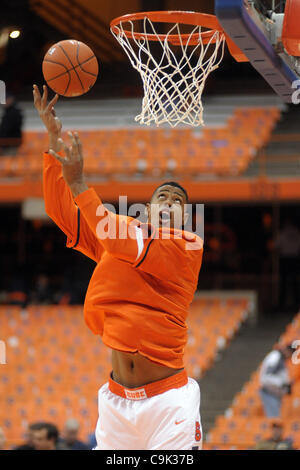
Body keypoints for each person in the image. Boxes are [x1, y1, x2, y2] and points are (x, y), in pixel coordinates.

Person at [33, 84, 204, 450]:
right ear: (150, 207)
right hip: (116, 399)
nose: (170, 202)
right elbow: (62, 213)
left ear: (186, 217)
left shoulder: (186, 246)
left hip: (167, 399)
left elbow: (116, 236)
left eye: (178, 201)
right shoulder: (121, 237)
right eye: (163, 197)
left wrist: (79, 183)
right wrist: (53, 142)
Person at [259, 344, 294, 418]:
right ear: (287, 351)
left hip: (275, 392)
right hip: (269, 391)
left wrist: (286, 384)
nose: (289, 357)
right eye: (290, 353)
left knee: (277, 417)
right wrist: (282, 383)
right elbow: (267, 376)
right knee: (274, 418)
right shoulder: (275, 357)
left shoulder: (281, 358)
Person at [275, 219, 300, 312]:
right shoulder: (297, 233)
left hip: (286, 258)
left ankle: (282, 304)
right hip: (294, 258)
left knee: (284, 283)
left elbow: (276, 246)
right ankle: (296, 304)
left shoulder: (282, 233)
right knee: (294, 283)